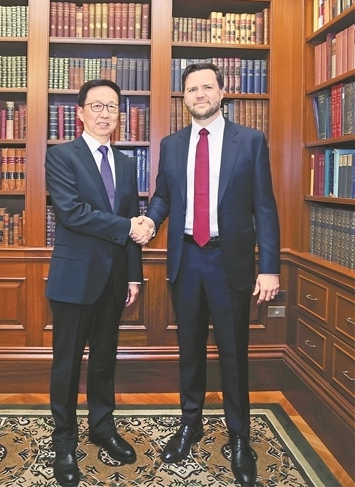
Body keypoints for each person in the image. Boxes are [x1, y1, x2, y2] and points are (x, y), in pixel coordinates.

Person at [143, 62, 280, 487]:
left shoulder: (250, 141)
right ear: (183, 97)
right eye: (191, 88)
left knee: (234, 353)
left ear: (222, 92)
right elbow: (163, 197)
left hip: (229, 261)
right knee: (189, 349)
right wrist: (149, 221)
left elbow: (264, 207)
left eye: (207, 87)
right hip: (186, 259)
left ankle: (239, 437)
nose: (199, 94)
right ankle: (191, 424)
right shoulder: (171, 144)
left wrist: (269, 267)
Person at [45, 79, 152, 487]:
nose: (105, 113)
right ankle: (64, 442)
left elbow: (131, 220)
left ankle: (102, 428)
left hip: (114, 279)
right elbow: (71, 212)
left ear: (119, 114)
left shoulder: (125, 163)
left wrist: (133, 275)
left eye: (112, 106)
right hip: (74, 279)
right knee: (67, 364)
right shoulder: (61, 156)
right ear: (80, 113)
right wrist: (128, 226)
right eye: (97, 106)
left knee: (105, 360)